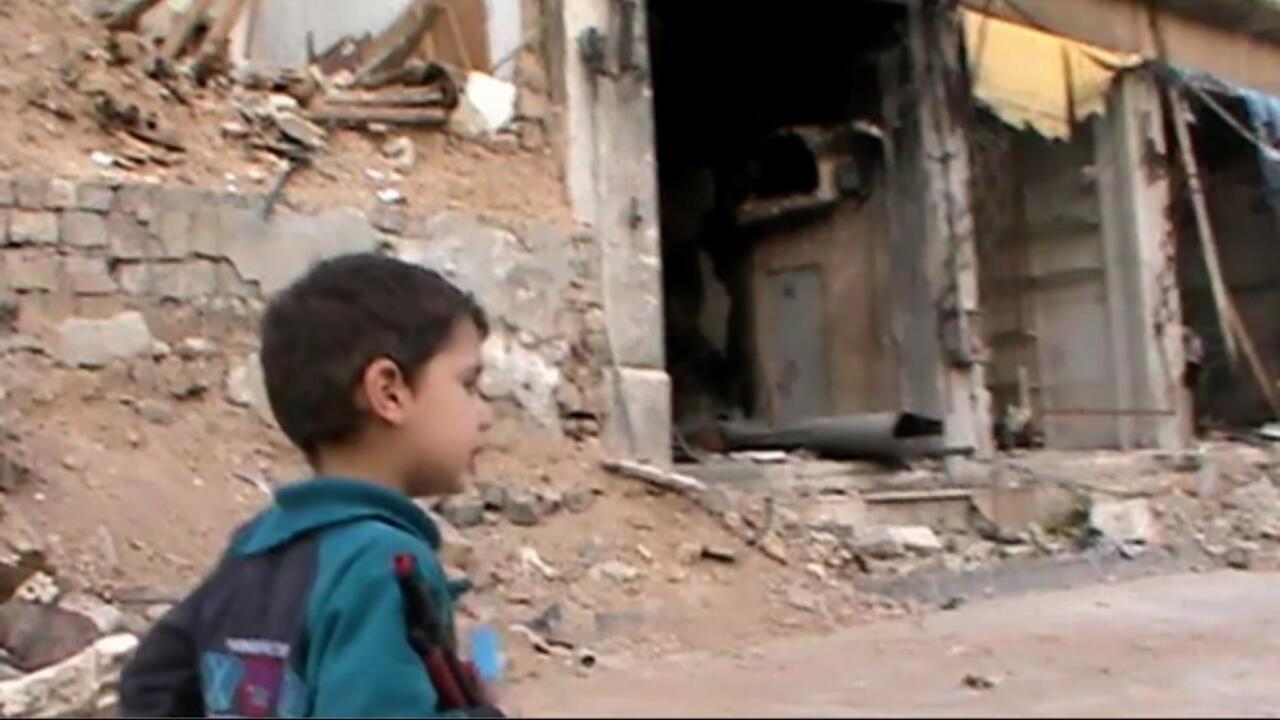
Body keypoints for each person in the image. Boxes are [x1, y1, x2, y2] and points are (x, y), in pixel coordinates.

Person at [119, 253, 501, 717]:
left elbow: (150, 684)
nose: (485, 415)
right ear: (389, 392)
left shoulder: (257, 544)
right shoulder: (385, 565)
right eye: (468, 384)